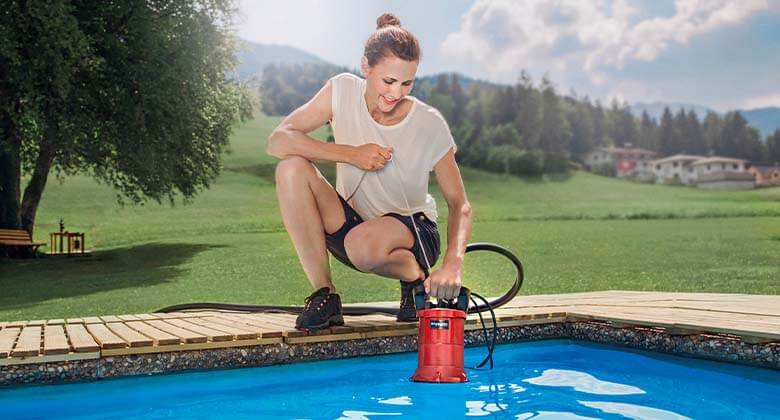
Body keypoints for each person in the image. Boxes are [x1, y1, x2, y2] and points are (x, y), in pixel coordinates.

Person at [266, 12, 472, 332]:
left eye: (407, 83)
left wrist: (452, 266)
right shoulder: (342, 89)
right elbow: (278, 140)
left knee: (361, 246)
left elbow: (460, 204)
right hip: (352, 225)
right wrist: (351, 155)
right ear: (365, 67)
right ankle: (325, 294)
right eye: (388, 81)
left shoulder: (428, 122)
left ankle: (415, 276)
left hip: (414, 230)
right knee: (291, 167)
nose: (396, 93)